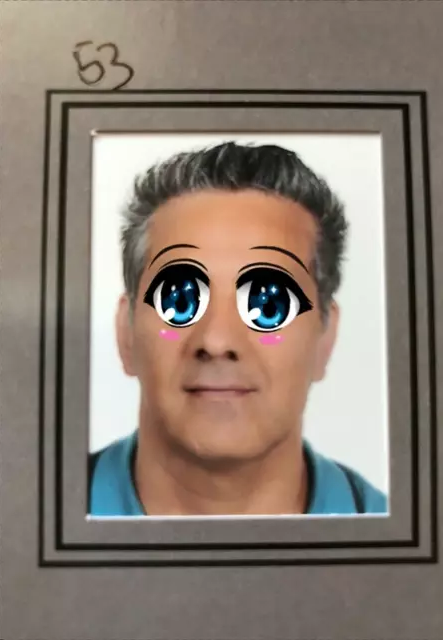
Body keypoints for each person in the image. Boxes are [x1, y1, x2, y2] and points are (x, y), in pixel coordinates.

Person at [88, 141, 387, 516]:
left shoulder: (431, 545)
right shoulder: (29, 521)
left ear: (325, 339)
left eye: (269, 304)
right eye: (178, 300)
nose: (216, 341)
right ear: (126, 333)